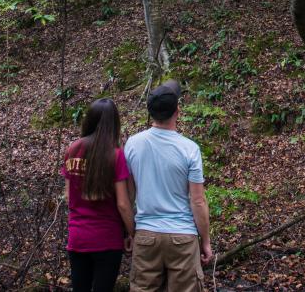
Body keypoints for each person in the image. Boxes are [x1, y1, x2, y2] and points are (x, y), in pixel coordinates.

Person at [124, 79, 212, 292]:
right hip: (182, 236)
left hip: (145, 235)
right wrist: (206, 241)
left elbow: (128, 195)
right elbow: (197, 201)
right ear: (177, 111)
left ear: (151, 112)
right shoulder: (189, 149)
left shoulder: (133, 144)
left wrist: (129, 232)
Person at [62, 98, 135, 292]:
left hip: (77, 236)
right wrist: (131, 233)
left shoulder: (72, 149)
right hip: (107, 239)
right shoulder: (116, 155)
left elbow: (68, 196)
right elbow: (122, 203)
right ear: (114, 124)